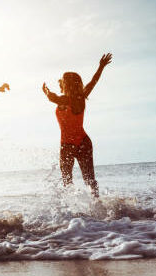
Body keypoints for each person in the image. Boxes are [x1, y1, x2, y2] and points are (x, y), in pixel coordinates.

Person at [42, 53, 112, 198]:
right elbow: (94, 81)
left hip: (67, 145)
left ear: (65, 84)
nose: (60, 82)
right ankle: (97, 208)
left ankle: (73, 214)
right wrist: (101, 67)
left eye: (62, 81)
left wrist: (46, 91)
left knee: (67, 182)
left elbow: (51, 97)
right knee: (90, 180)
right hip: (83, 142)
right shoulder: (81, 97)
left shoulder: (64, 100)